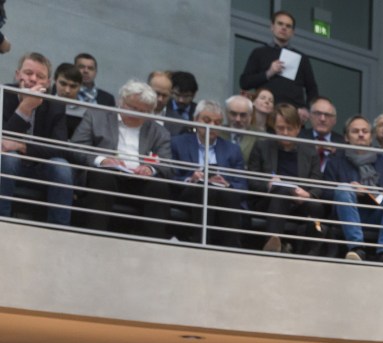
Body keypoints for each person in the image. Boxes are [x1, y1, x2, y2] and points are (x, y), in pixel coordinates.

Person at [69, 79, 173, 239]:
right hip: (107, 175)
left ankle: (154, 244)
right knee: (102, 176)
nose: (135, 114)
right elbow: (76, 147)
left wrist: (150, 169)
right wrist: (102, 160)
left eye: (142, 112)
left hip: (140, 180)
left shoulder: (159, 132)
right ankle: (94, 237)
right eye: (132, 108)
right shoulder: (96, 116)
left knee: (159, 186)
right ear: (121, 101)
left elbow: (167, 164)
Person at [2, 52, 75, 226]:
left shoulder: (55, 105)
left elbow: (60, 148)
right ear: (17, 74)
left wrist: (22, 145)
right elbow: (3, 144)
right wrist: (25, 107)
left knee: (61, 166)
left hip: (40, 167)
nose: (33, 79)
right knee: (8, 158)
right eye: (28, 73)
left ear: (48, 83)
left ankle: (58, 230)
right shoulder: (3, 94)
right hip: (8, 164)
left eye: (40, 76)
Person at [324, 114, 383, 263]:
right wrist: (352, 191)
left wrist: (370, 193)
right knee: (343, 188)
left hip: (375, 213)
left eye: (365, 131)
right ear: (347, 137)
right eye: (355, 131)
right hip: (347, 215)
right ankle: (356, 249)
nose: (361, 134)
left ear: (371, 137)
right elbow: (327, 195)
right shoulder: (335, 162)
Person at [168, 99, 249, 248]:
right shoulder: (178, 143)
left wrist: (227, 183)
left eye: (217, 123)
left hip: (223, 196)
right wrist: (190, 178)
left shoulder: (232, 149)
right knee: (204, 187)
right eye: (206, 120)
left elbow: (242, 185)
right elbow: (171, 175)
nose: (211, 126)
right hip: (190, 193)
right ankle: (200, 243)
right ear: (195, 120)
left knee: (225, 191)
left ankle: (231, 247)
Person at [247, 101, 323, 254]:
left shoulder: (309, 152)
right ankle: (273, 242)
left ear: (298, 128)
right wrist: (268, 185)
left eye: (290, 128)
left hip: (298, 201)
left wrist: (307, 194)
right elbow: (252, 180)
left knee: (316, 206)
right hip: (269, 200)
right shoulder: (262, 147)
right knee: (281, 190)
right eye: (281, 128)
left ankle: (308, 255)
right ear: (274, 127)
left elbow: (318, 184)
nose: (286, 133)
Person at [238, 9, 319, 112]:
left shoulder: (302, 58)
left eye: (288, 26)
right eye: (280, 24)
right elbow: (244, 82)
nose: (284, 27)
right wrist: (268, 73)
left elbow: (312, 89)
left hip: (293, 114)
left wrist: (307, 110)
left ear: (293, 32)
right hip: (265, 112)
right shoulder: (259, 53)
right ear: (272, 27)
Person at [305, 97, 343, 173]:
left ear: (335, 120)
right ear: (310, 116)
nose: (322, 119)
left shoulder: (342, 143)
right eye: (318, 113)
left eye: (327, 115)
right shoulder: (299, 137)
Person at [225, 94, 258, 164]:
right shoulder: (217, 133)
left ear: (250, 116)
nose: (238, 119)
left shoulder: (260, 137)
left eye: (243, 115)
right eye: (233, 114)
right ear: (226, 114)